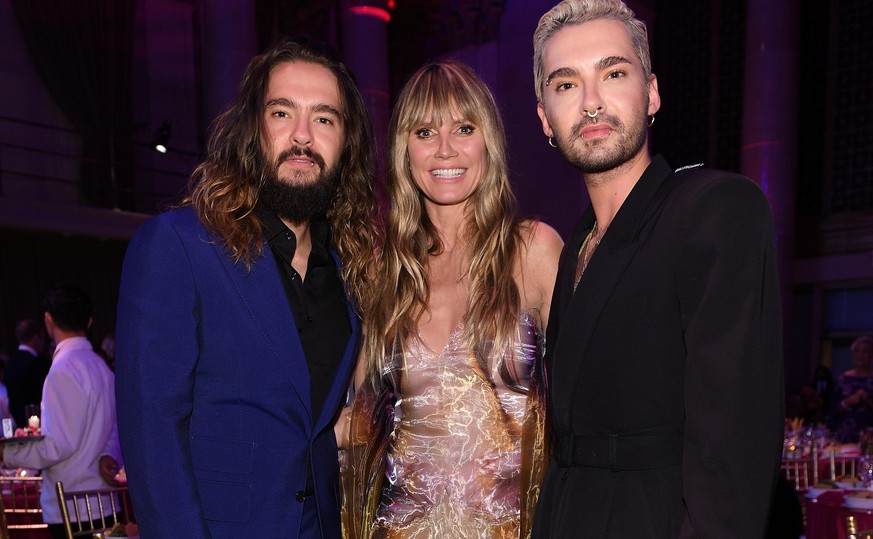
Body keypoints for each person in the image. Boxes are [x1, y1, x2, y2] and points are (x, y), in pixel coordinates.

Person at [530, 1, 784, 536]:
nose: (592, 102)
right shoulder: (575, 243)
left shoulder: (716, 209)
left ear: (651, 94)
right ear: (544, 118)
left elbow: (733, 452)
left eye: (614, 73)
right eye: (566, 84)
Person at [115, 39, 378, 538]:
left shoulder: (348, 272)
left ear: (347, 144)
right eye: (282, 113)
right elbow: (153, 439)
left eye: (324, 119)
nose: (302, 136)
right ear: (251, 130)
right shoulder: (178, 246)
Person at [339, 61, 563, 538]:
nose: (445, 149)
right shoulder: (383, 274)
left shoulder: (533, 251)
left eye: (464, 127)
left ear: (489, 142)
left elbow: (594, 401)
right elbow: (358, 426)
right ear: (405, 151)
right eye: (424, 131)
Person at [1, 285, 122, 539]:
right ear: (89, 321)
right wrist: (108, 454)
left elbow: (58, 445)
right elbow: (117, 426)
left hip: (73, 506)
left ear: (48, 320)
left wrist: (7, 453)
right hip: (103, 500)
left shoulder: (63, 371)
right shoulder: (102, 368)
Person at [6, 318, 50, 428]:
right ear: (36, 338)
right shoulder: (38, 364)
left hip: (18, 427)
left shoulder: (10, 363)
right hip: (39, 427)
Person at [829, 336, 873, 442]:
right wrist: (846, 403)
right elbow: (832, 410)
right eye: (857, 351)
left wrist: (868, 400)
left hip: (869, 436)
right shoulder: (843, 379)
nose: (861, 355)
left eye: (866, 351)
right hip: (844, 436)